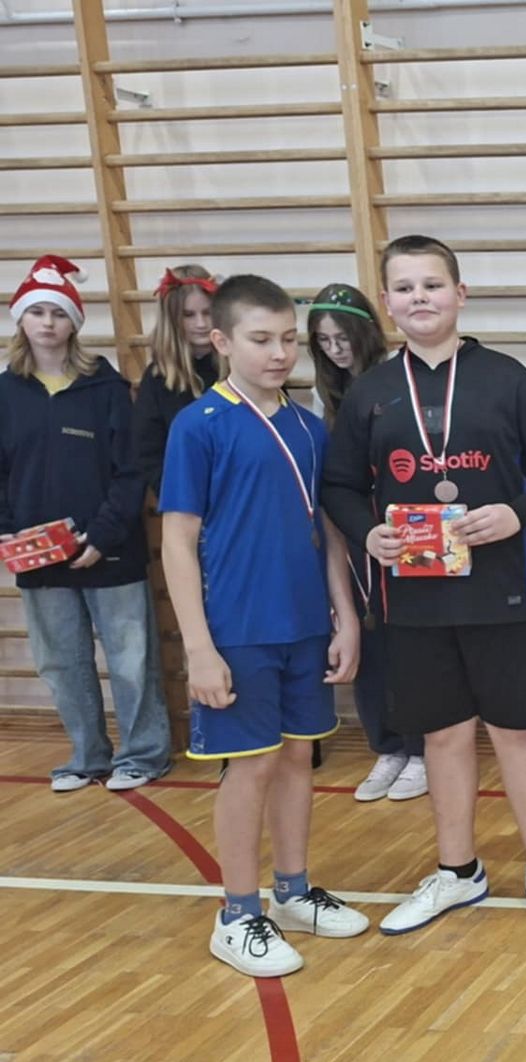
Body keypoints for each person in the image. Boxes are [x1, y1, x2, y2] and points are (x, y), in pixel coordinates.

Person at [320, 234, 526, 935]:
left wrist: (517, 513)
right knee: (442, 737)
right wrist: (368, 533)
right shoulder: (371, 393)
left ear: (461, 294)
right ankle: (456, 870)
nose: (420, 298)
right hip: (415, 601)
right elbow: (339, 486)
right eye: (405, 287)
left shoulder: (507, 380)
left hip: (501, 595)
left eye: (433, 284)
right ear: (387, 303)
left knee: (516, 733)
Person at [159, 274, 368, 977]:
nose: (279, 353)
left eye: (287, 339)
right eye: (260, 340)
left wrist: (345, 616)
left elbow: (327, 530)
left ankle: (293, 890)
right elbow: (178, 538)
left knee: (298, 759)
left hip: (304, 625)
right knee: (249, 766)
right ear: (221, 341)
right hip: (237, 629)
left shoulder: (309, 426)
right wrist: (199, 647)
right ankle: (238, 913)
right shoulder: (199, 425)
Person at [1, 255, 171, 792]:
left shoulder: (107, 388)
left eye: (58, 313)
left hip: (109, 551)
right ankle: (87, 756)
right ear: (21, 320)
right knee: (61, 662)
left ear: (74, 322)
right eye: (38, 312)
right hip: (39, 557)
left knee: (131, 659)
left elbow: (131, 470)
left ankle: (143, 755)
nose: (48, 323)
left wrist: (101, 535)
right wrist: (8, 530)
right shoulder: (5, 392)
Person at [308, 282, 427, 803]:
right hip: (356, 532)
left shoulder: (395, 380)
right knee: (364, 632)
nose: (336, 350)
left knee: (412, 641)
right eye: (323, 341)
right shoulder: (326, 395)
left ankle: (421, 748)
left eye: (343, 338)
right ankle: (388, 745)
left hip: (408, 529)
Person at [133, 264, 220, 496]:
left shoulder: (243, 367)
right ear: (172, 319)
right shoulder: (157, 378)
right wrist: (182, 498)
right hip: (187, 501)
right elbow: (148, 454)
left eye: (208, 312)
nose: (201, 324)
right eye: (188, 315)